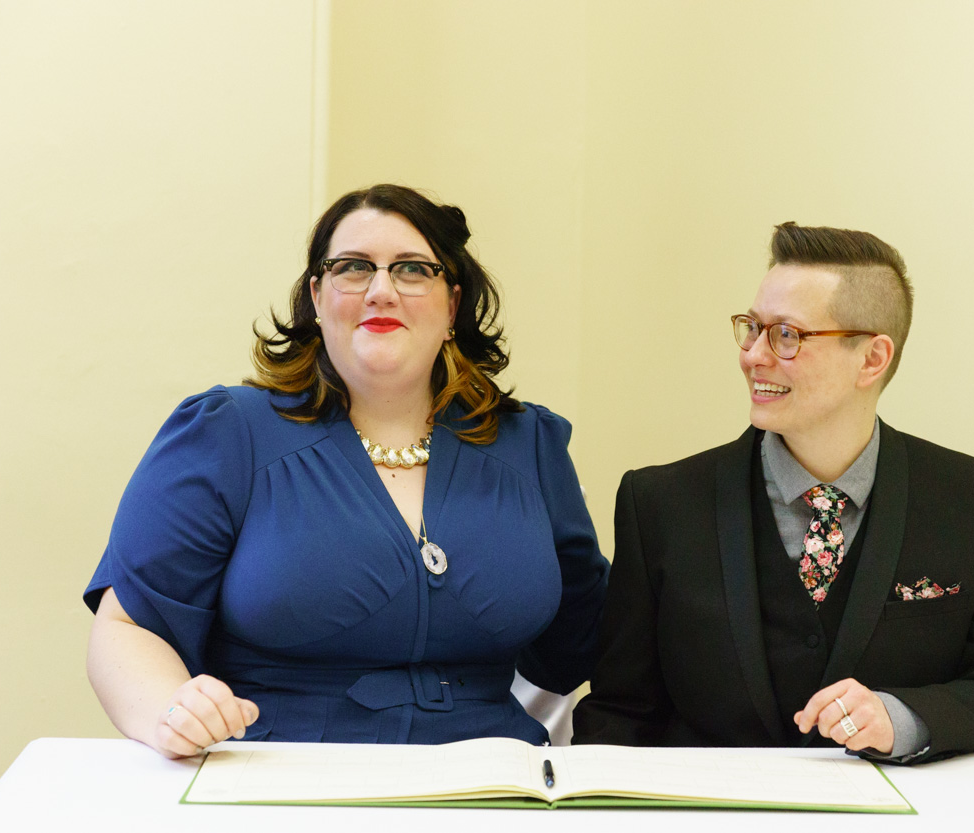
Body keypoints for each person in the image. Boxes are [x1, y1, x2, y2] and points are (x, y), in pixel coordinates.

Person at [85, 184, 608, 758]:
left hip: (493, 785)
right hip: (282, 778)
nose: (381, 291)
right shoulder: (227, 433)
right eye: (354, 268)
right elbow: (128, 629)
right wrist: (172, 711)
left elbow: (581, 646)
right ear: (316, 295)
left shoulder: (528, 444)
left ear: (452, 304)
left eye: (412, 270)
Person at [572, 222, 974, 763]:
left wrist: (903, 719)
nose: (753, 355)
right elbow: (619, 713)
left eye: (786, 335)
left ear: (872, 359)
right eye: (751, 328)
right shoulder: (657, 503)